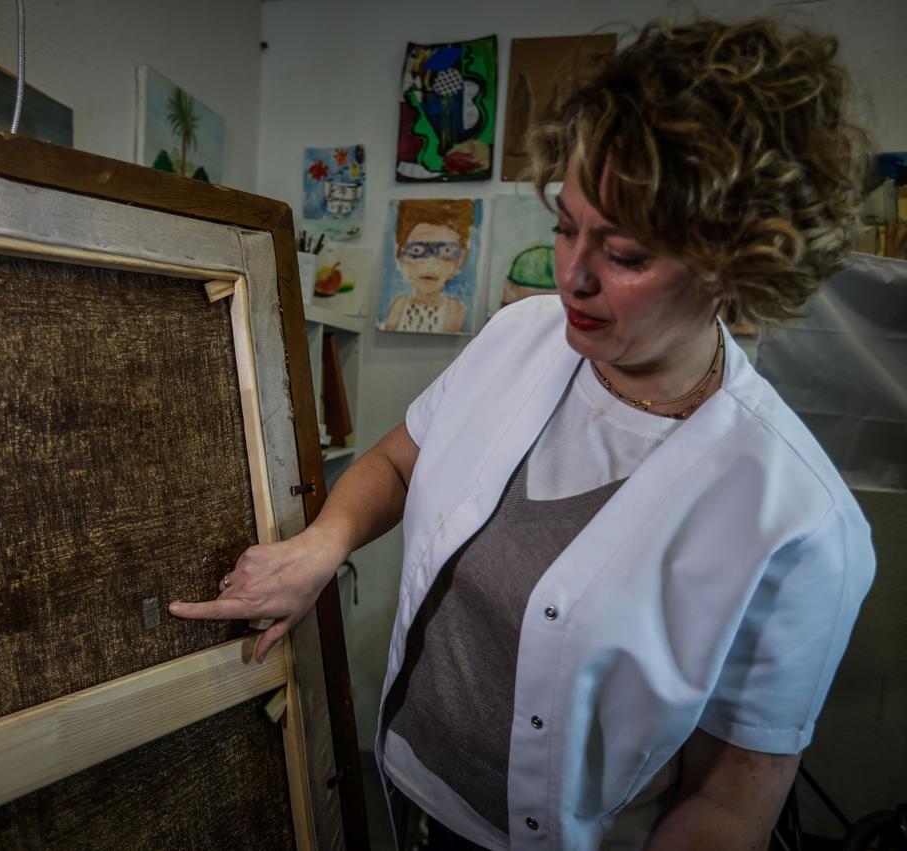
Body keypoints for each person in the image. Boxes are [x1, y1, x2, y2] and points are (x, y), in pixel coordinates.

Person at [171, 17, 876, 850]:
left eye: (623, 253)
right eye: (567, 226)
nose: (571, 274)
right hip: (407, 783)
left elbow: (727, 801)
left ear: (734, 264)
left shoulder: (801, 521)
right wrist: (325, 544)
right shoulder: (522, 333)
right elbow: (402, 459)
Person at [381, 199, 472, 334]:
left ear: (460, 260)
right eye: (417, 250)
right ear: (400, 255)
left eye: (446, 251)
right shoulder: (399, 305)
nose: (430, 263)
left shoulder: (454, 310)